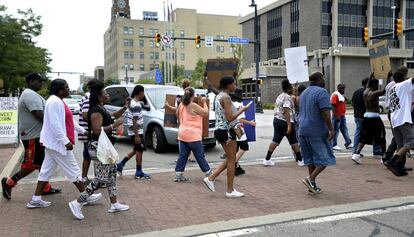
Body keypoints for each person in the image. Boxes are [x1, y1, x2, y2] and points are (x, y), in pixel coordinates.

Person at [26, 79, 101, 220]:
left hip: (53, 143)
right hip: (57, 143)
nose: (68, 89)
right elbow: (55, 124)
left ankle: (35, 199)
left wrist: (82, 131)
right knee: (74, 170)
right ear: (60, 89)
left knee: (46, 171)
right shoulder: (54, 102)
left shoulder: (58, 101)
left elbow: (69, 120)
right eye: (66, 87)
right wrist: (65, 141)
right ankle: (85, 197)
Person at [2, 73, 61, 200]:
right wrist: (56, 127)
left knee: (42, 162)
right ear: (31, 82)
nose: (41, 84)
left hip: (36, 135)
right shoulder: (30, 95)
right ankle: (9, 183)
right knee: (31, 164)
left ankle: (45, 187)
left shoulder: (32, 94)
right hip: (32, 136)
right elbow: (39, 115)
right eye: (39, 81)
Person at [87, 80, 130, 213]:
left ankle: (114, 204)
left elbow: (113, 116)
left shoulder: (102, 108)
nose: (108, 94)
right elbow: (97, 131)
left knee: (111, 176)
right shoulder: (95, 111)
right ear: (100, 96)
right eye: (105, 93)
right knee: (101, 178)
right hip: (98, 147)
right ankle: (78, 202)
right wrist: (114, 125)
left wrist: (124, 107)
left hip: (105, 147)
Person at [203, 77, 250, 198]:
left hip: (220, 130)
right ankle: (229, 190)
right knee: (231, 160)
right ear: (228, 85)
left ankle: (212, 178)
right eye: (233, 84)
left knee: (231, 158)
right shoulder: (226, 97)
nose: (235, 86)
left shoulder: (219, 96)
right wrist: (243, 110)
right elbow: (230, 118)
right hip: (227, 131)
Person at [299, 72, 335, 194]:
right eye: (323, 78)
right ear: (319, 79)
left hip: (302, 130)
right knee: (325, 159)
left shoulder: (304, 93)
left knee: (310, 159)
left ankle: (312, 185)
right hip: (316, 130)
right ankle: (310, 178)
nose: (324, 80)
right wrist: (331, 129)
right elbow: (325, 112)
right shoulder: (322, 92)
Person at [174, 87, 211, 181]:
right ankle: (208, 173)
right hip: (193, 134)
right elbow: (205, 113)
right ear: (193, 96)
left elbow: (177, 113)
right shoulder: (193, 105)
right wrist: (204, 102)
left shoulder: (181, 104)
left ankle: (178, 174)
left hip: (182, 133)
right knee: (199, 155)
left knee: (183, 155)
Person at [351, 73, 389, 164]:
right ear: (374, 85)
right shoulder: (374, 93)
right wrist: (388, 77)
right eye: (376, 85)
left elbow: (368, 85)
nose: (377, 86)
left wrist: (371, 77)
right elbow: (385, 90)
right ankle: (384, 156)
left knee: (363, 138)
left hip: (366, 117)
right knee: (381, 136)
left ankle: (356, 155)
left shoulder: (365, 92)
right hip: (374, 117)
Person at [263, 79, 302, 167]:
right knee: (294, 141)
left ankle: (267, 159)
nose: (293, 89)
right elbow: (286, 111)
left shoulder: (280, 96)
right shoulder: (287, 97)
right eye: (291, 87)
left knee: (276, 140)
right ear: (288, 89)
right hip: (285, 121)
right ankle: (300, 160)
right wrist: (289, 125)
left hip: (277, 120)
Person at [117, 85, 151, 179]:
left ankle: (121, 164)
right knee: (139, 150)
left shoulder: (134, 102)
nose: (144, 94)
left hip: (135, 130)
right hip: (136, 131)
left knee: (137, 149)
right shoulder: (135, 104)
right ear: (139, 92)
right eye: (143, 92)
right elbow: (134, 120)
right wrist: (136, 136)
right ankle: (138, 172)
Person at [384, 71, 414, 176]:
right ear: (404, 78)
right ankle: (392, 161)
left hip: (394, 119)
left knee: (401, 145)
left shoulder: (393, 88)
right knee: (411, 141)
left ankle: (398, 166)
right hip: (403, 118)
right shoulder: (403, 85)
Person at [230, 88, 256, 176]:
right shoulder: (240, 105)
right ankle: (233, 164)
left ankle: (236, 167)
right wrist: (250, 122)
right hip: (238, 128)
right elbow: (240, 118)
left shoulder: (231, 103)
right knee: (244, 146)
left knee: (236, 148)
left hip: (231, 127)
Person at [79, 79, 98, 185]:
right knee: (91, 155)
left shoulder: (90, 97)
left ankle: (85, 178)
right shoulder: (88, 97)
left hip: (88, 131)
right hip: (88, 132)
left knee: (88, 155)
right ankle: (86, 178)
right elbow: (85, 114)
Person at [331, 84, 352, 151]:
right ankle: (334, 145)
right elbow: (332, 105)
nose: (343, 89)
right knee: (335, 131)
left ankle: (348, 143)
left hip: (342, 116)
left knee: (344, 130)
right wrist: (336, 115)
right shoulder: (335, 95)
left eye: (343, 88)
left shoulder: (341, 96)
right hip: (337, 116)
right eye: (341, 88)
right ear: (338, 88)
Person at [293, 84, 307, 166]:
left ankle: (296, 155)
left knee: (296, 137)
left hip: (296, 117)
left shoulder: (295, 98)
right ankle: (300, 156)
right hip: (301, 117)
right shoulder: (303, 98)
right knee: (300, 138)